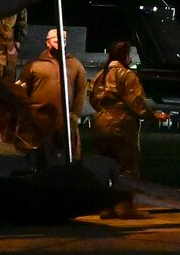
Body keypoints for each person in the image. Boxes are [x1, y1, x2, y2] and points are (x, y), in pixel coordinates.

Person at [89, 39, 170, 218]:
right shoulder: (126, 75)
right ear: (125, 55)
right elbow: (136, 103)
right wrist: (153, 115)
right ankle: (126, 207)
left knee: (105, 168)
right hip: (121, 125)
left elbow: (93, 99)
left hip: (100, 124)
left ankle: (106, 207)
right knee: (127, 167)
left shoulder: (99, 76)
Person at [17, 28, 88, 162]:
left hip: (64, 124)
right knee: (37, 159)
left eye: (63, 40)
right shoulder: (33, 66)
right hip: (38, 123)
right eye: (55, 40)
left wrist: (75, 114)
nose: (60, 42)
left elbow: (81, 91)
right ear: (47, 43)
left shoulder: (75, 65)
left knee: (64, 161)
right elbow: (21, 91)